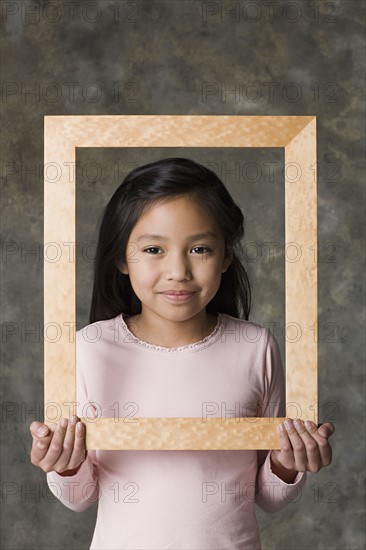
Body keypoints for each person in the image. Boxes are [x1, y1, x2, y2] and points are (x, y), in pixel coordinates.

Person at [30, 157, 335, 549]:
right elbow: (79, 497)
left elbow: (268, 496)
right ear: (122, 258)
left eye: (201, 249)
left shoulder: (255, 347)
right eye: (154, 248)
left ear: (225, 256)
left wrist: (286, 464)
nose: (178, 271)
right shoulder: (89, 348)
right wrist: (65, 462)